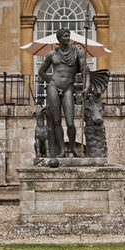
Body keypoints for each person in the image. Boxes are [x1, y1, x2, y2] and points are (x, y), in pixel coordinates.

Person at [37, 28, 87, 164]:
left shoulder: (77, 52)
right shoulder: (52, 54)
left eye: (68, 35)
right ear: (59, 39)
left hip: (68, 88)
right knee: (57, 121)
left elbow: (84, 71)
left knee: (70, 122)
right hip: (54, 87)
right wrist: (50, 81)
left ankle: (73, 147)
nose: (67, 38)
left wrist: (86, 85)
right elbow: (41, 71)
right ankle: (61, 150)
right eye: (64, 36)